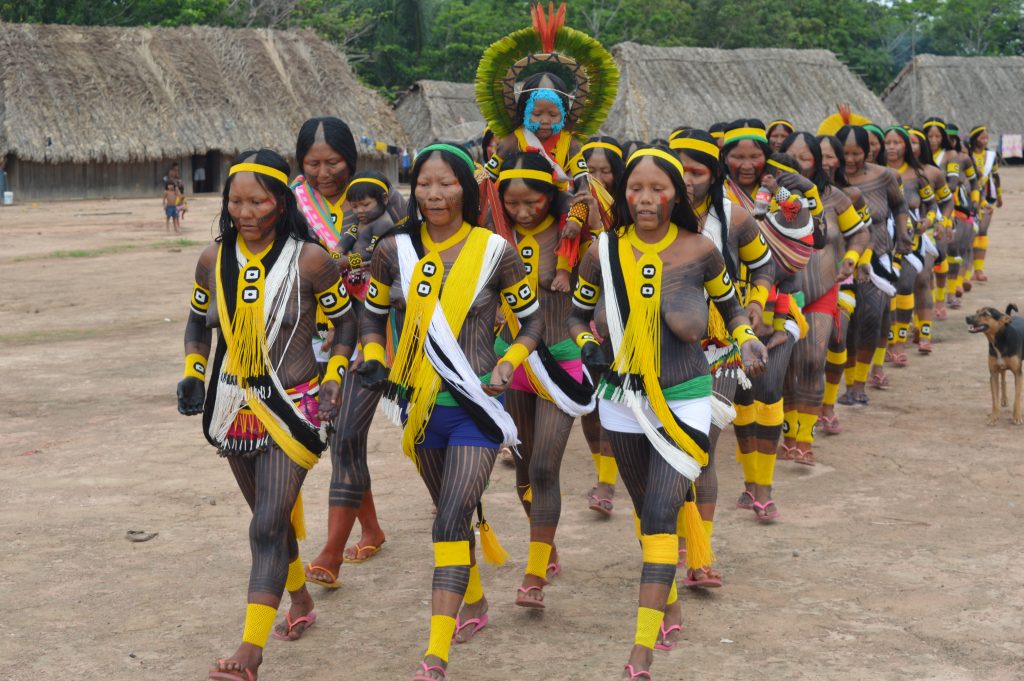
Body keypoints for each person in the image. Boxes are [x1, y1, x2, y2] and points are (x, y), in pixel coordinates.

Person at [569, 147, 767, 679]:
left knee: (660, 510)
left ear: (677, 195)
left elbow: (731, 309)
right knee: (643, 511)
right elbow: (575, 313)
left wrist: (746, 338)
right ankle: (669, 599)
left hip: (686, 395)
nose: (646, 199)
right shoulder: (602, 251)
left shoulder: (701, 249)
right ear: (623, 194)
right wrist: (586, 338)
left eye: (658, 189)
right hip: (621, 401)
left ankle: (640, 651)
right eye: (636, 189)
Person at [357, 143, 543, 680]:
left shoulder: (496, 252)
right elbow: (372, 319)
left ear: (468, 188)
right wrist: (373, 356)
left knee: (449, 518)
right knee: (448, 510)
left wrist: (511, 360)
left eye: (446, 184)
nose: (434, 194)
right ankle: (477, 600)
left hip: (476, 405)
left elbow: (531, 324)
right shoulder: (392, 250)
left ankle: (435, 655)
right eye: (424, 185)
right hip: (416, 408)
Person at [177, 149, 356, 681]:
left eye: (257, 200)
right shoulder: (212, 259)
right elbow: (196, 325)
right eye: (236, 201)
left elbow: (344, 327)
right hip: (232, 406)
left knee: (266, 524)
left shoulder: (312, 261)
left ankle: (250, 651)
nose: (245, 211)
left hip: (294, 407)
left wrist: (335, 376)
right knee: (269, 520)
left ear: (281, 202)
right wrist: (193, 371)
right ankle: (299, 600)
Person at [492, 150, 597, 609]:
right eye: (512, 204)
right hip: (510, 361)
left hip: (563, 361)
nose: (523, 211)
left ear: (549, 196)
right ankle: (545, 543)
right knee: (523, 465)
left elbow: (593, 204)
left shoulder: (577, 234)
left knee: (543, 467)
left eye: (532, 201)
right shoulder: (496, 238)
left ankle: (533, 574)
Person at [290, 117, 390, 587]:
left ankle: (330, 551)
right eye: (313, 163)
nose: (324, 172)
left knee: (347, 431)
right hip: (315, 336)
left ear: (351, 159)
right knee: (340, 437)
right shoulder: (291, 203)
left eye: (333, 162)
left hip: (371, 330)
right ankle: (369, 526)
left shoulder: (378, 200)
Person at [670, 129, 773, 581]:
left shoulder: (733, 218)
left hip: (719, 347)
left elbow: (764, 263)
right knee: (669, 452)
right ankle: (667, 543)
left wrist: (757, 300)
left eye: (697, 172)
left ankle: (700, 552)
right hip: (659, 350)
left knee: (703, 452)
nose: (688, 180)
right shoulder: (642, 221)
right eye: (681, 171)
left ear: (713, 175)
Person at [777, 132, 870, 464]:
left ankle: (805, 437)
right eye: (793, 157)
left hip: (822, 289)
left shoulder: (833, 198)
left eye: (806, 158)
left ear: (816, 161)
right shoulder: (768, 199)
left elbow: (859, 232)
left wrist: (852, 259)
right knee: (786, 365)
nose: (799, 164)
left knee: (813, 359)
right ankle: (788, 433)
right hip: (782, 294)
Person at [836, 125, 909, 407]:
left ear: (868, 151)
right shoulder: (831, 179)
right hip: (839, 260)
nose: (851, 159)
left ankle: (858, 385)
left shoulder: (884, 176)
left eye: (857, 153)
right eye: (845, 154)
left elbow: (900, 206)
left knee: (870, 317)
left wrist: (903, 233)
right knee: (847, 326)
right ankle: (844, 381)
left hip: (876, 256)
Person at [816, 134, 868, 437]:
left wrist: (854, 260)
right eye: (818, 155)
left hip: (840, 279)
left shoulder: (848, 195)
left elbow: (861, 233)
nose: (825, 161)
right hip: (799, 281)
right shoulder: (787, 195)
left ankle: (828, 406)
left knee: (838, 337)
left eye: (830, 156)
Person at [967, 125, 1001, 283]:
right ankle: (965, 272)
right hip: (969, 198)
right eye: (982, 138)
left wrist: (999, 196)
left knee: (982, 231)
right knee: (969, 234)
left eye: (986, 138)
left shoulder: (991, 156)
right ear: (974, 139)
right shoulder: (967, 155)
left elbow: (995, 176)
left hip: (988, 197)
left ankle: (979, 270)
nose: (985, 140)